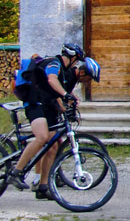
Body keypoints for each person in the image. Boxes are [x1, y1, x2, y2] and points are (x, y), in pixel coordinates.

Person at [5, 44, 101, 200]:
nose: (76, 65)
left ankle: (43, 186)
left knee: (52, 145)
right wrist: (65, 95)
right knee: (42, 137)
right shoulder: (54, 64)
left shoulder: (64, 72)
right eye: (76, 62)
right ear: (73, 58)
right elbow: (51, 79)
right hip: (34, 101)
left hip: (44, 104)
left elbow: (56, 93)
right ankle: (16, 172)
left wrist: (67, 103)